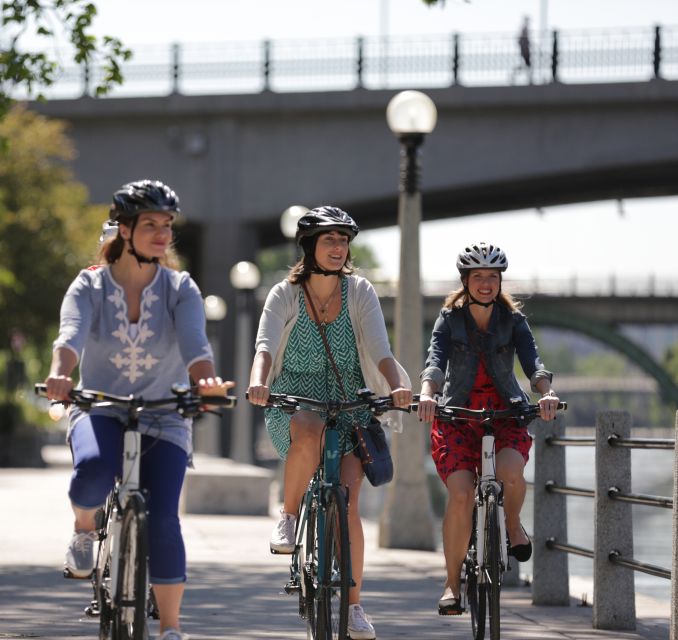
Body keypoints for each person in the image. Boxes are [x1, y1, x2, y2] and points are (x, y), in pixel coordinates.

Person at [44, 179, 232, 640]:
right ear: (124, 230)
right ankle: (85, 528)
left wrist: (205, 380)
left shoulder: (179, 287)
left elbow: (195, 345)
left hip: (165, 413)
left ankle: (170, 627)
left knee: (165, 518)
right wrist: (60, 373)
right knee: (91, 469)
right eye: (151, 224)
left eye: (167, 225)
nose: (163, 234)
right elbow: (70, 336)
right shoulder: (89, 284)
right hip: (100, 407)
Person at [247, 206, 412, 640]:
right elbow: (265, 345)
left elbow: (380, 347)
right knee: (307, 427)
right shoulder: (284, 294)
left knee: (350, 502)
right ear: (309, 248)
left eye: (343, 241)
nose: (338, 248)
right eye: (329, 240)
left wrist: (397, 385)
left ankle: (354, 606)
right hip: (293, 402)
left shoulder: (359, 292)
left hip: (350, 407)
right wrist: (257, 381)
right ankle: (287, 514)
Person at [415, 242, 559, 615]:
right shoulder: (449, 319)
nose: (485, 283)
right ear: (465, 281)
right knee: (461, 494)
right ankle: (451, 585)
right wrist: (428, 394)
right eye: (478, 276)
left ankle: (512, 526)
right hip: (458, 416)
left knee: (511, 472)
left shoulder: (513, 321)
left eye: (492, 277)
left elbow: (534, 364)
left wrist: (547, 393)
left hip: (504, 414)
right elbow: (434, 363)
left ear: (499, 282)